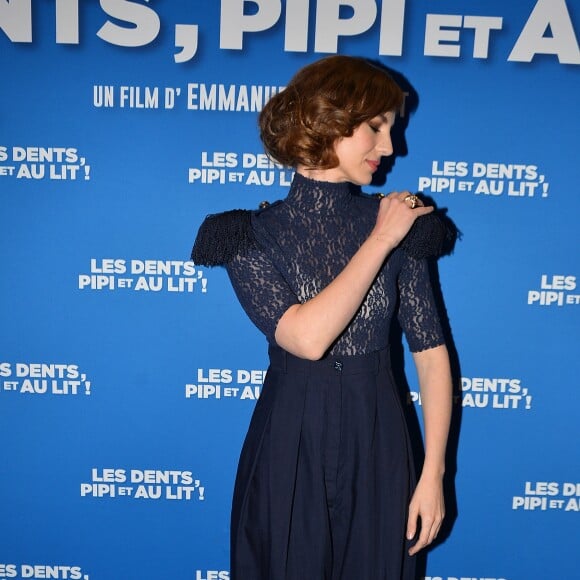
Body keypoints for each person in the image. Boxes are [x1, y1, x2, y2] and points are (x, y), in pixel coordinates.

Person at [192, 55, 453, 580]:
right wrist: (381, 238)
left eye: (392, 130)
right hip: (290, 435)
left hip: (379, 431)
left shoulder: (407, 225)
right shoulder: (247, 234)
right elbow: (307, 339)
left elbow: (430, 355)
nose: (390, 148)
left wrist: (433, 475)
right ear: (329, 120)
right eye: (376, 128)